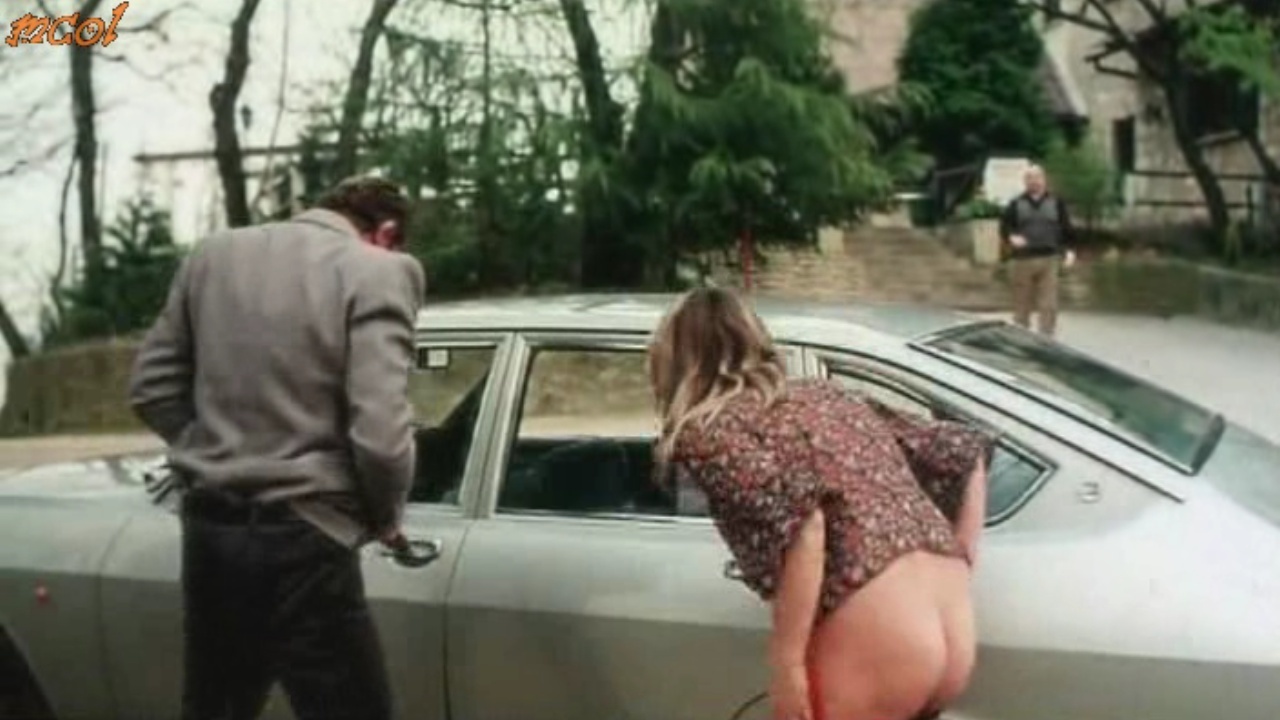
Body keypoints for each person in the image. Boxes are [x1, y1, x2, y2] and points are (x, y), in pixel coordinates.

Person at [128, 176, 426, 720]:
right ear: (386, 232)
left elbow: (152, 389)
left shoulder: (212, 256)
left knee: (217, 708)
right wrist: (385, 519)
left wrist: (218, 451)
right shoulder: (378, 270)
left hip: (211, 531)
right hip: (308, 535)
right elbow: (381, 435)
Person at [648, 288, 993, 720]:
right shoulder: (826, 395)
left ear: (675, 359)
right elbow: (965, 450)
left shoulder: (706, 431)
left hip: (880, 634)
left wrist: (787, 663)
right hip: (950, 620)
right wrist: (962, 560)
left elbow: (805, 527)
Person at [998, 164, 1077, 337]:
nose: (1034, 181)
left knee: (1049, 304)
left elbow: (1066, 228)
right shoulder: (1015, 203)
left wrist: (1070, 250)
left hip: (1049, 258)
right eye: (1029, 178)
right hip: (1022, 259)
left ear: (1044, 179)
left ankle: (1046, 338)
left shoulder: (1056, 202)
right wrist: (1011, 237)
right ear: (1024, 181)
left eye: (1037, 177)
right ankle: (1021, 337)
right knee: (1022, 303)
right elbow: (1004, 227)